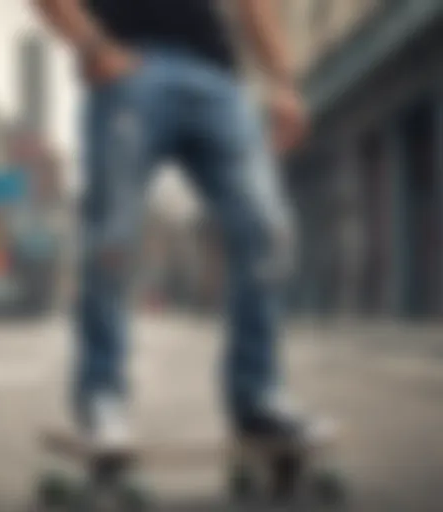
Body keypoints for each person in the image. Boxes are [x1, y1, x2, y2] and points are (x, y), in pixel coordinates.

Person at [34, 0, 308, 451]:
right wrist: (92, 45)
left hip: (219, 78)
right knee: (112, 240)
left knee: (267, 231)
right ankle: (102, 400)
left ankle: (258, 400)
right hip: (129, 65)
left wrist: (283, 82)